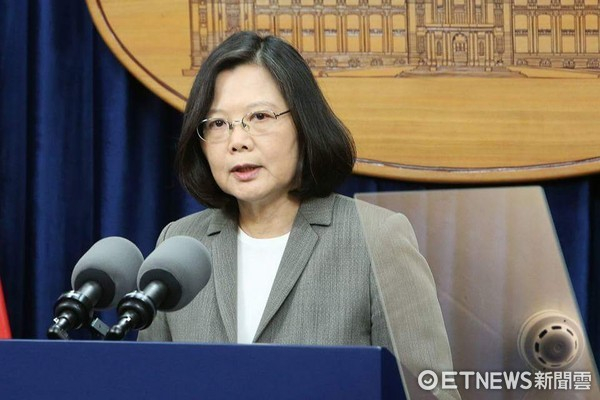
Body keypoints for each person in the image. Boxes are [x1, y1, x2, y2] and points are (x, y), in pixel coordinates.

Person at [138, 31, 459, 399]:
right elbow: (148, 386)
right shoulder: (180, 246)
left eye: (259, 116)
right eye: (218, 124)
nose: (237, 141)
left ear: (303, 126)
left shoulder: (376, 238)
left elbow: (432, 392)